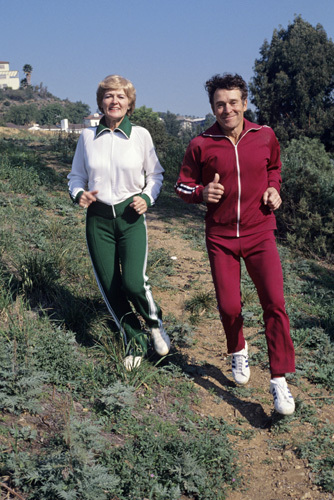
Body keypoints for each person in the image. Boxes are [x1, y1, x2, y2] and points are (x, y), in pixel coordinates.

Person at [175, 73, 295, 415]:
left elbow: (274, 169)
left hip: (260, 234)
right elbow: (182, 186)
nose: (226, 109)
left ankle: (279, 382)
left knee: (274, 303)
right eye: (219, 104)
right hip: (221, 237)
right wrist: (202, 193)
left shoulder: (265, 135)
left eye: (232, 102)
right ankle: (237, 349)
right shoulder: (201, 144)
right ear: (212, 107)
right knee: (229, 306)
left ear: (244, 103)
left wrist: (274, 189)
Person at [68, 74, 170, 371]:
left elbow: (155, 176)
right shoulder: (87, 137)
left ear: (129, 104)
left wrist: (147, 199)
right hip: (98, 220)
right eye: (109, 96)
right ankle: (134, 340)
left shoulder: (140, 135)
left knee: (133, 282)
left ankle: (154, 324)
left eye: (120, 97)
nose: (114, 101)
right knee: (111, 288)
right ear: (101, 102)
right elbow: (76, 176)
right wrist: (79, 194)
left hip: (130, 217)